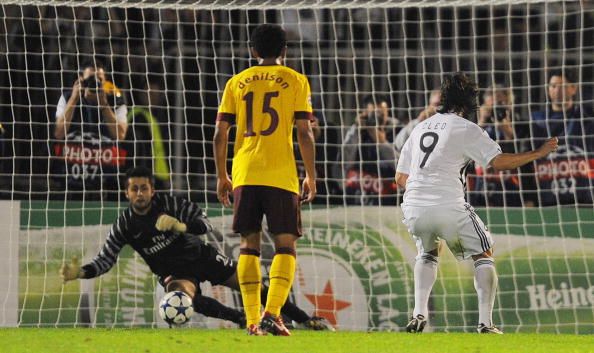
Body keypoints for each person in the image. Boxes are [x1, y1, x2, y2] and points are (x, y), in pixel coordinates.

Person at [58, 167, 331, 331]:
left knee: (255, 287)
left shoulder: (173, 205)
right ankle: (242, 319)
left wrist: (180, 227)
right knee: (183, 300)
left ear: (152, 190)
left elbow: (205, 224)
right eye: (134, 190)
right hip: (175, 272)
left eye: (144, 188)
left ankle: (306, 320)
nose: (139, 194)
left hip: (201, 256)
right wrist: (80, 272)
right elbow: (106, 259)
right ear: (127, 193)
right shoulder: (125, 225)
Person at [395, 72, 558, 334]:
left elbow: (400, 177)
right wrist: (538, 153)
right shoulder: (467, 129)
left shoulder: (420, 128)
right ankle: (485, 323)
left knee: (427, 252)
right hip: (448, 204)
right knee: (484, 254)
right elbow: (499, 162)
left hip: (413, 207)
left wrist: (425, 187)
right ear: (470, 102)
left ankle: (418, 314)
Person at [213, 24, 316, 336]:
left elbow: (220, 133)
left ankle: (254, 320)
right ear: (284, 50)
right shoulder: (296, 80)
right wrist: (311, 175)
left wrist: (222, 176)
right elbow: (304, 131)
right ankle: (273, 313)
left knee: (248, 245)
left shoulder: (236, 82)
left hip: (245, 171)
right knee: (286, 244)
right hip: (281, 174)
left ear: (253, 51)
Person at [53, 61, 128, 200]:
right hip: (70, 182)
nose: (95, 83)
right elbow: (59, 133)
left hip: (105, 184)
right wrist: (74, 98)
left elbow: (120, 134)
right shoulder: (68, 96)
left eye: (99, 80)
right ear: (80, 79)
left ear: (105, 81)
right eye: (90, 79)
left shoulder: (115, 99)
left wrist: (104, 106)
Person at [526, 68, 594, 206]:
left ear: (573, 89)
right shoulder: (536, 121)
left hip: (584, 199)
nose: (557, 90)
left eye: (562, 86)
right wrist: (530, 197)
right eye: (553, 86)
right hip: (547, 199)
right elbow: (528, 161)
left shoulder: (587, 118)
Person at [470, 85, 523, 207]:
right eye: (492, 104)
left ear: (510, 104)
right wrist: (482, 121)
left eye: (501, 103)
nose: (496, 108)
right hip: (481, 192)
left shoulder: (521, 124)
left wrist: (509, 134)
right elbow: (469, 153)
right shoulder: (475, 126)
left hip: (511, 193)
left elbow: (524, 158)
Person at [341, 95, 399, 205]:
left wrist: (382, 142)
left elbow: (401, 165)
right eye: (374, 114)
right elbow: (345, 162)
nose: (378, 118)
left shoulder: (397, 131)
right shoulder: (358, 132)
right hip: (355, 197)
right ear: (365, 113)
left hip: (387, 200)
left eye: (381, 114)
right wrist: (356, 129)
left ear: (388, 112)